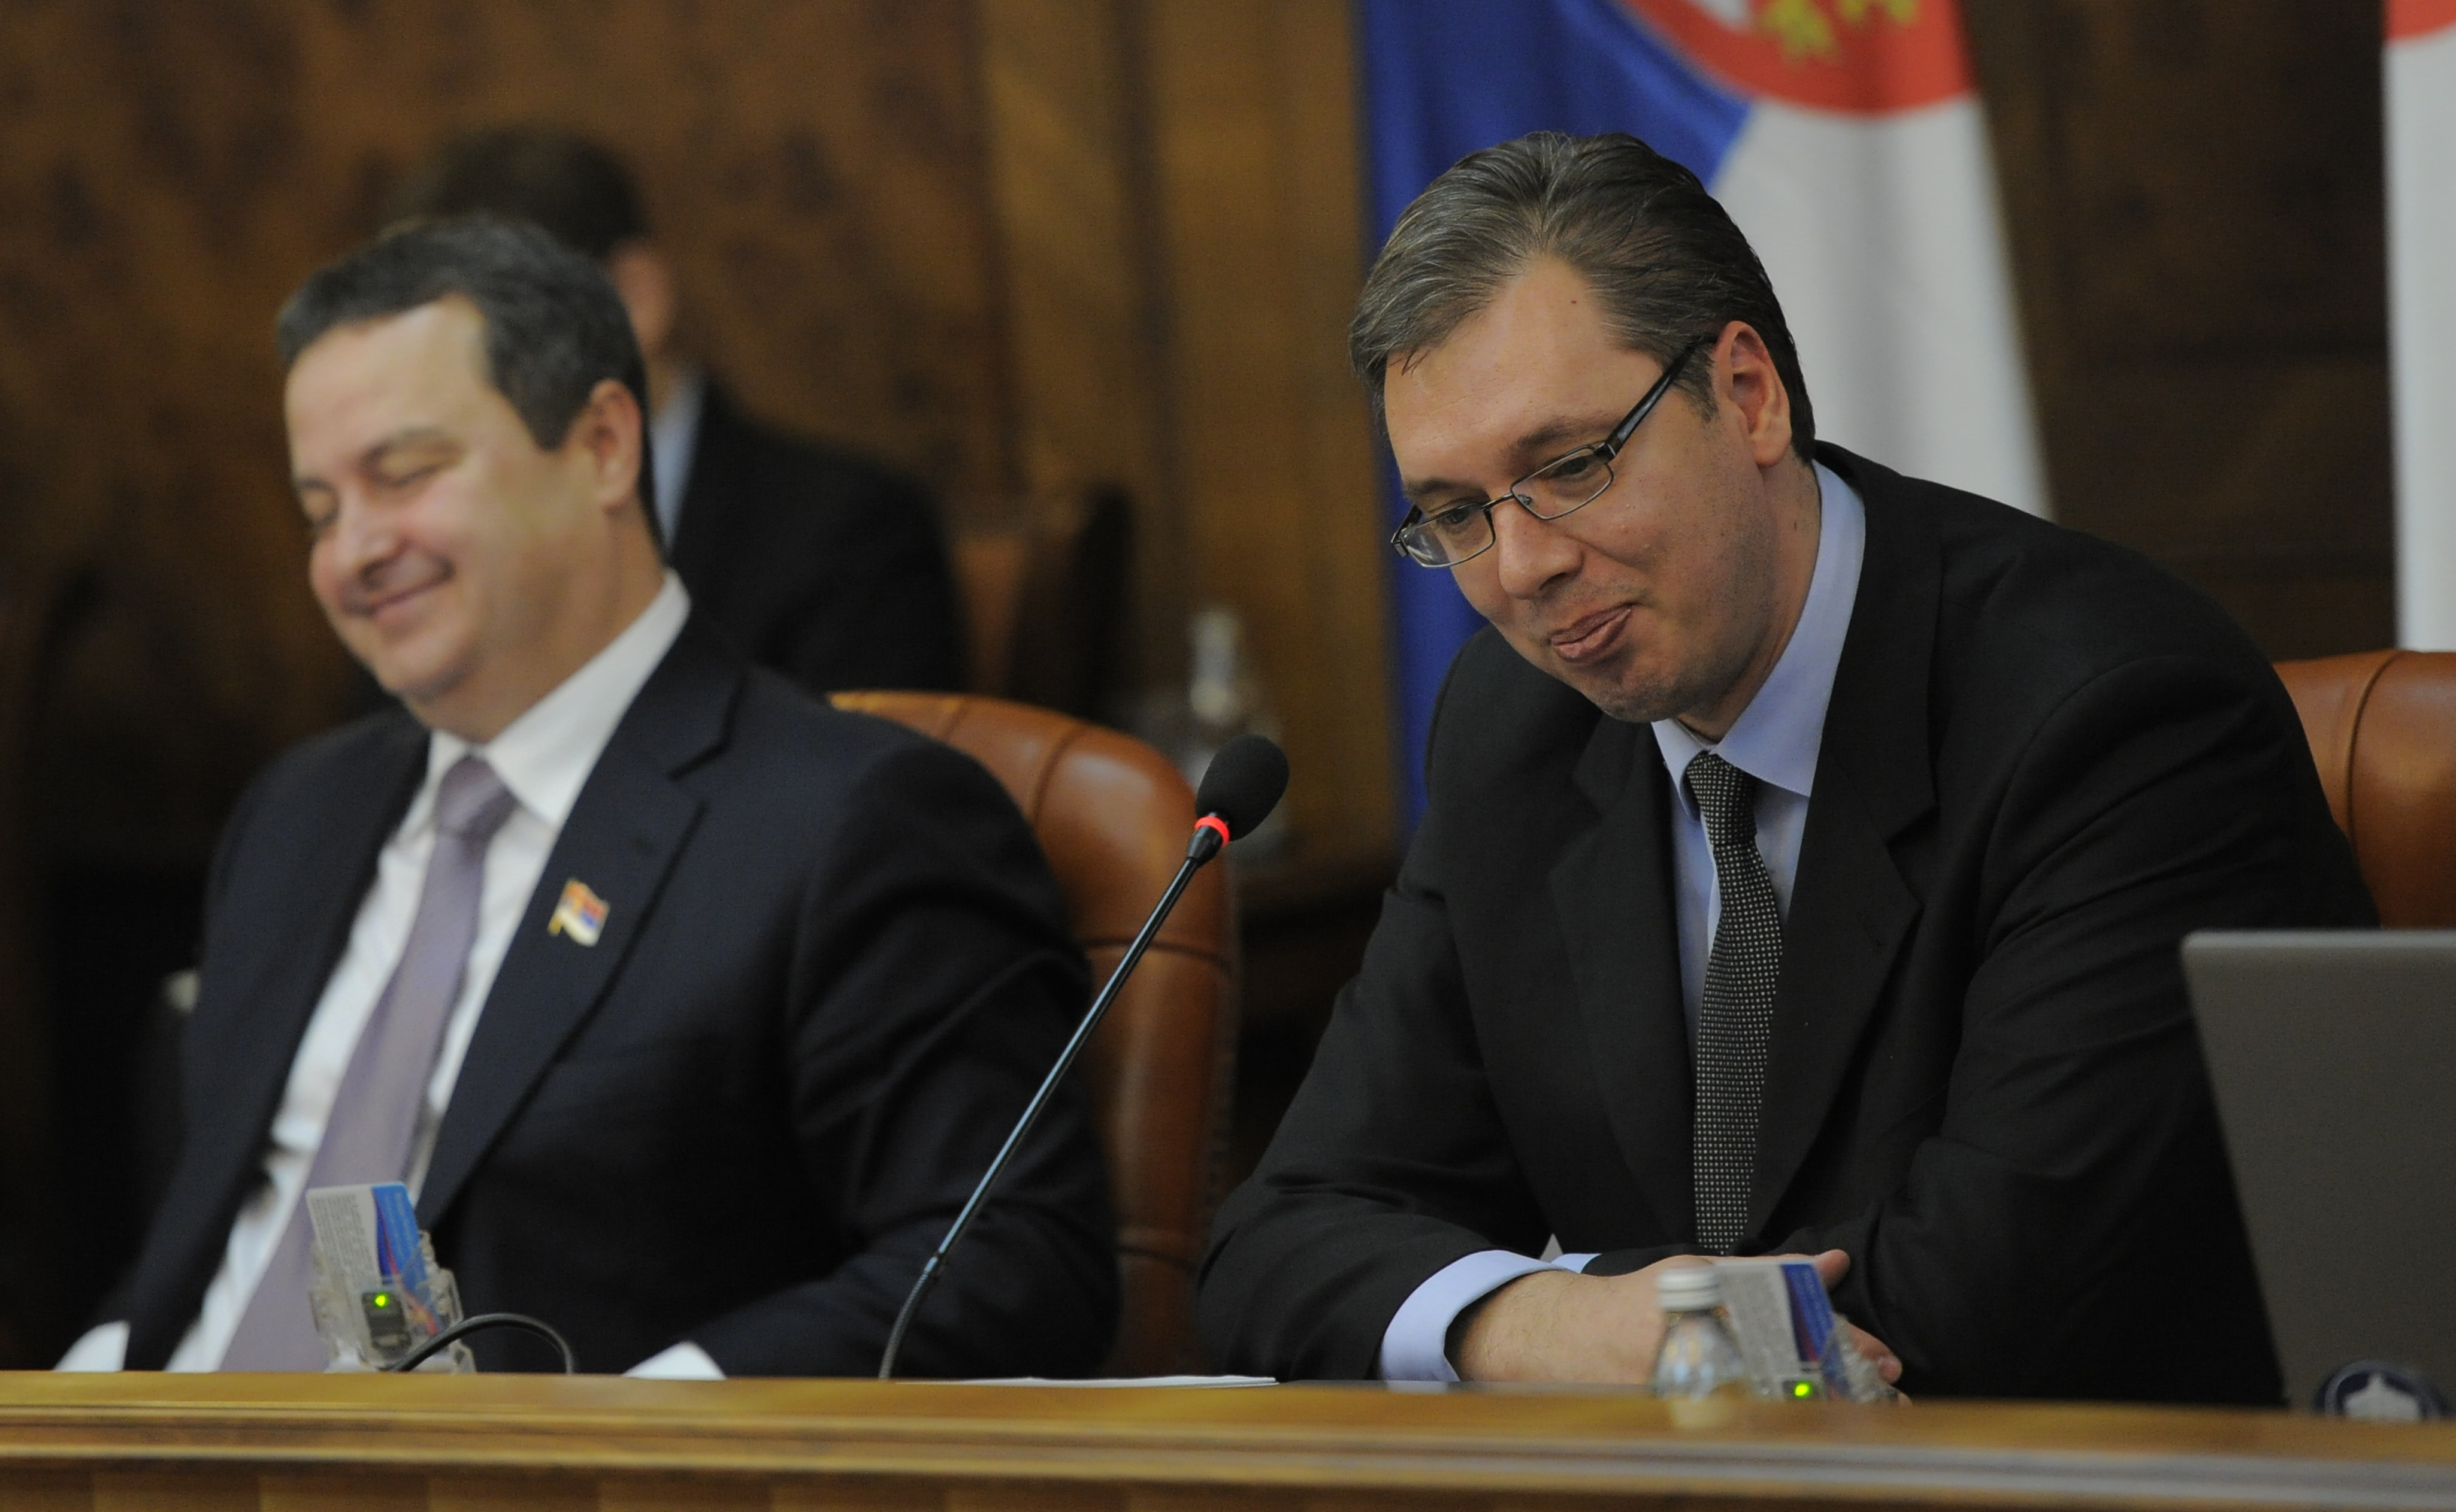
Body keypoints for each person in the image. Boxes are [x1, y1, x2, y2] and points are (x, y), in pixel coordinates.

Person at [1197, 132, 2373, 1401]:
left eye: (1569, 467)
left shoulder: (2110, 714)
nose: (1522, 567)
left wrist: (1646, 1325)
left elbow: (1990, 1298)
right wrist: (1557, 1325)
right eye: (1455, 513)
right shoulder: (1516, 725)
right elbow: (1281, 1241)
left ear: (1749, 395)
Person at [59, 219, 1115, 1377]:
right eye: (320, 509)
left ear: (606, 445)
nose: (354, 550)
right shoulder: (297, 813)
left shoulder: (847, 821)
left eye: (404, 476)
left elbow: (1012, 1261)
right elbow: (233, 1239)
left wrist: (644, 1424)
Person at [388, 126, 964, 697]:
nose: (452, 390)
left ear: (635, 299)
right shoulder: (419, 550)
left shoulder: (851, 534)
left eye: (492, 340)